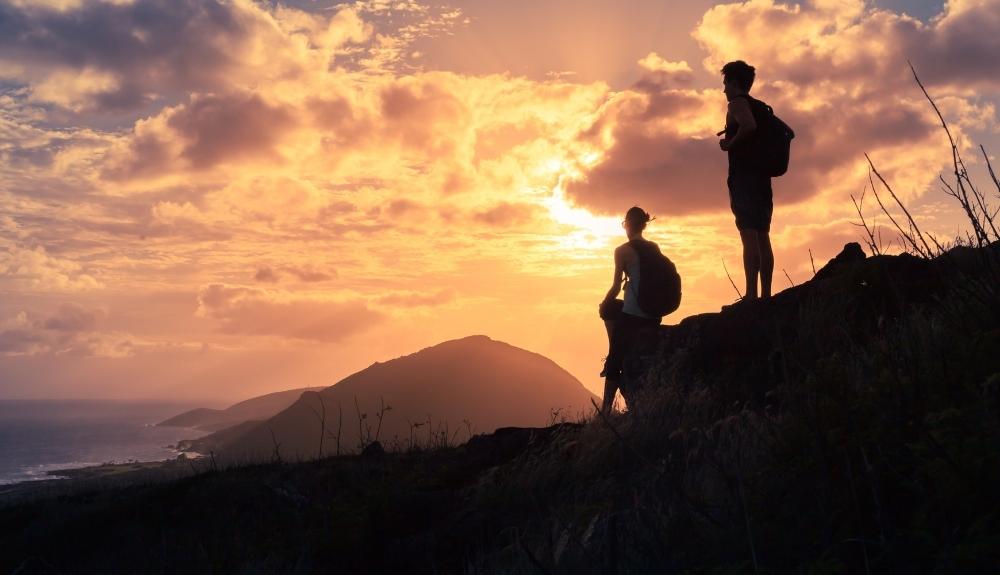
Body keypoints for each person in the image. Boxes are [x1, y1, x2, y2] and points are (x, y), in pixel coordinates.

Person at [719, 60, 774, 301]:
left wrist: (730, 144)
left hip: (744, 177)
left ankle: (751, 294)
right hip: (762, 177)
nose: (723, 90)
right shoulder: (760, 107)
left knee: (748, 233)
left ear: (733, 82)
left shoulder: (737, 104)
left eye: (725, 83)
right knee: (763, 234)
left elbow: (748, 126)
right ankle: (765, 295)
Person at [598, 206, 662, 414]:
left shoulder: (622, 251)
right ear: (643, 225)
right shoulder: (654, 248)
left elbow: (616, 287)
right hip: (654, 315)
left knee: (608, 311)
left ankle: (606, 410)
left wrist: (603, 303)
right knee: (614, 309)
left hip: (634, 314)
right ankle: (616, 347)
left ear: (627, 225)